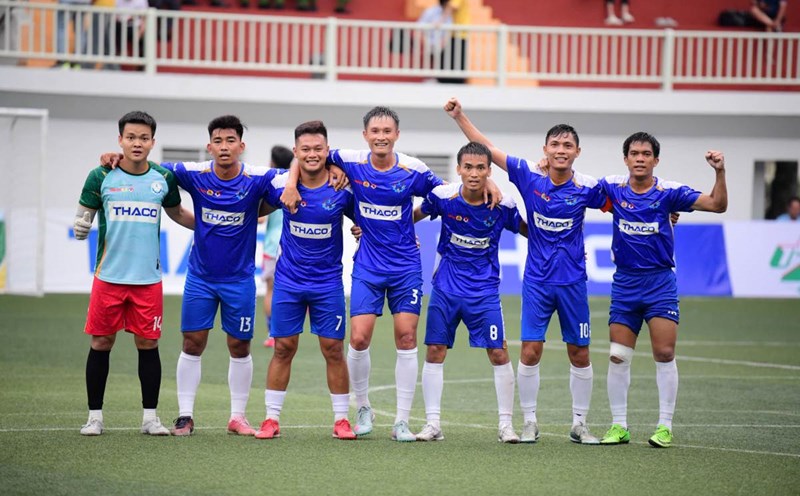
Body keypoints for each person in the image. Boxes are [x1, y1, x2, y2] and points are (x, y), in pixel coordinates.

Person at [280, 106, 500, 442]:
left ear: (397, 135)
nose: (381, 137)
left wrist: (490, 182)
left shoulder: (413, 170)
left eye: (387, 131)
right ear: (365, 135)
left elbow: (448, 193)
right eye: (375, 131)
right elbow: (308, 156)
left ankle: (401, 421)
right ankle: (363, 407)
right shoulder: (349, 160)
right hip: (368, 266)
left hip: (405, 267)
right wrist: (292, 181)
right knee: (358, 338)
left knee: (406, 338)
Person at [100, 115, 281, 436]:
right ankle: (185, 416)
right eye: (218, 141)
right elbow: (148, 168)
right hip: (200, 278)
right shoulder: (192, 173)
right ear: (209, 146)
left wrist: (333, 171)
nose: (224, 147)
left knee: (240, 345)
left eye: (230, 141)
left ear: (241, 146)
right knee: (192, 342)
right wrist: (118, 158)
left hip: (240, 279)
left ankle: (238, 417)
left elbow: (297, 176)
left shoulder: (258, 178)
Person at [445, 97, 608, 445]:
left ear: (577, 152)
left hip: (573, 282)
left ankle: (580, 424)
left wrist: (664, 214)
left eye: (567, 145)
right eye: (555, 145)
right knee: (531, 351)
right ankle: (530, 421)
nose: (561, 150)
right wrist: (460, 116)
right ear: (545, 149)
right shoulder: (528, 174)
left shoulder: (588, 187)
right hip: (537, 282)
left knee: (579, 352)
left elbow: (623, 202)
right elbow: (488, 150)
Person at [597, 133, 728, 448]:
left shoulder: (670, 193)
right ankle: (619, 426)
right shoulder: (612, 187)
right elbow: (573, 190)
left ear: (656, 160)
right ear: (626, 159)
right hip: (625, 283)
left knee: (665, 353)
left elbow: (717, 205)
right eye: (634, 153)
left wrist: (720, 172)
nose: (640, 158)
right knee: (618, 356)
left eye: (646, 154)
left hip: (659, 283)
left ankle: (665, 427)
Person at [73, 111, 194, 436]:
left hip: (147, 280)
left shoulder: (162, 178)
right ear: (120, 140)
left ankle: (150, 418)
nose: (137, 143)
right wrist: (81, 224)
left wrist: (211, 227)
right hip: (108, 278)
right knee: (101, 342)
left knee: (148, 343)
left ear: (153, 142)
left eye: (143, 138)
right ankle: (94, 417)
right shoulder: (101, 175)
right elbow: (84, 214)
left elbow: (177, 213)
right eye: (130, 137)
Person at [413, 141, 528, 444]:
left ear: (489, 171)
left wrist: (569, 246)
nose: (474, 173)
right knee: (435, 351)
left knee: (499, 352)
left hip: (484, 292)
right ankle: (433, 424)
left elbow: (530, 231)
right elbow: (414, 215)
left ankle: (506, 425)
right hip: (445, 289)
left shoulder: (503, 206)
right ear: (459, 169)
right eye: (468, 167)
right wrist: (385, 232)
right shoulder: (443, 197)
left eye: (480, 168)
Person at [254, 120, 357, 441]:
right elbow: (252, 209)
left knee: (333, 349)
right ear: (296, 152)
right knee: (283, 348)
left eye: (318, 149)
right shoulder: (280, 186)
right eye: (305, 149)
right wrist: (289, 183)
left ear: (327, 151)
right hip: (288, 282)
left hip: (327, 284)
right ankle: (271, 419)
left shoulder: (342, 189)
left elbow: (364, 220)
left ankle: (341, 420)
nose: (312, 154)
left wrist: (362, 229)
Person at [261, 145, 294, 348]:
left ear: (272, 162)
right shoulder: (294, 181)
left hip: (272, 246)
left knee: (271, 290)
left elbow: (260, 219)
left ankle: (272, 333)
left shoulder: (270, 183)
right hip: (292, 245)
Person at [55, 0, 92, 69]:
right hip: (84, 2)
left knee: (61, 28)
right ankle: (77, 62)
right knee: (80, 31)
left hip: (67, 2)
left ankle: (62, 61)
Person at [439, 0, 469, 84]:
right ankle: (445, 80)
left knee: (456, 61)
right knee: (447, 59)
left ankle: (457, 82)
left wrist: (440, 21)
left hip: (460, 34)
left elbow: (452, 7)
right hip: (454, 34)